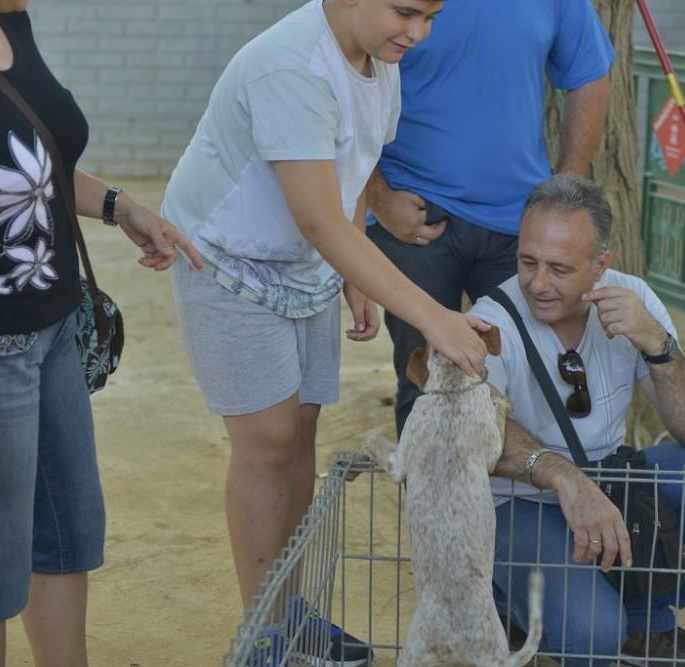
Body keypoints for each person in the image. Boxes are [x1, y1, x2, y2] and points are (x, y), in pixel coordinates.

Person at [160, 0, 488, 664]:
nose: (419, 33)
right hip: (226, 258)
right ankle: (263, 635)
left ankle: (288, 610)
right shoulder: (292, 65)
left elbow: (352, 168)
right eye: (406, 12)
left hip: (305, 260)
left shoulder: (380, 55)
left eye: (430, 16)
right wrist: (434, 315)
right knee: (269, 442)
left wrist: (353, 274)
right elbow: (317, 217)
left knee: (302, 429)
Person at [0, 1, 204, 666]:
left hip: (54, 330)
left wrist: (119, 205)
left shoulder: (9, 18)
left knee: (68, 537)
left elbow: (33, 164)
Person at [466, 175, 685, 667]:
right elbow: (483, 432)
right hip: (518, 502)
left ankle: (646, 624)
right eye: (528, 262)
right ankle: (513, 607)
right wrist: (566, 479)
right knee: (593, 635)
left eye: (559, 268)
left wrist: (658, 346)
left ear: (599, 266)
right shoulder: (491, 318)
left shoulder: (632, 297)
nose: (538, 283)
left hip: (612, 480)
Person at [366, 0, 615, 435]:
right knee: (427, 389)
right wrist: (379, 197)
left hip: (519, 231)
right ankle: (432, 502)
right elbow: (342, 74)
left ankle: (526, 502)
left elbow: (589, 75)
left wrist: (562, 196)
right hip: (415, 223)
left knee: (535, 387)